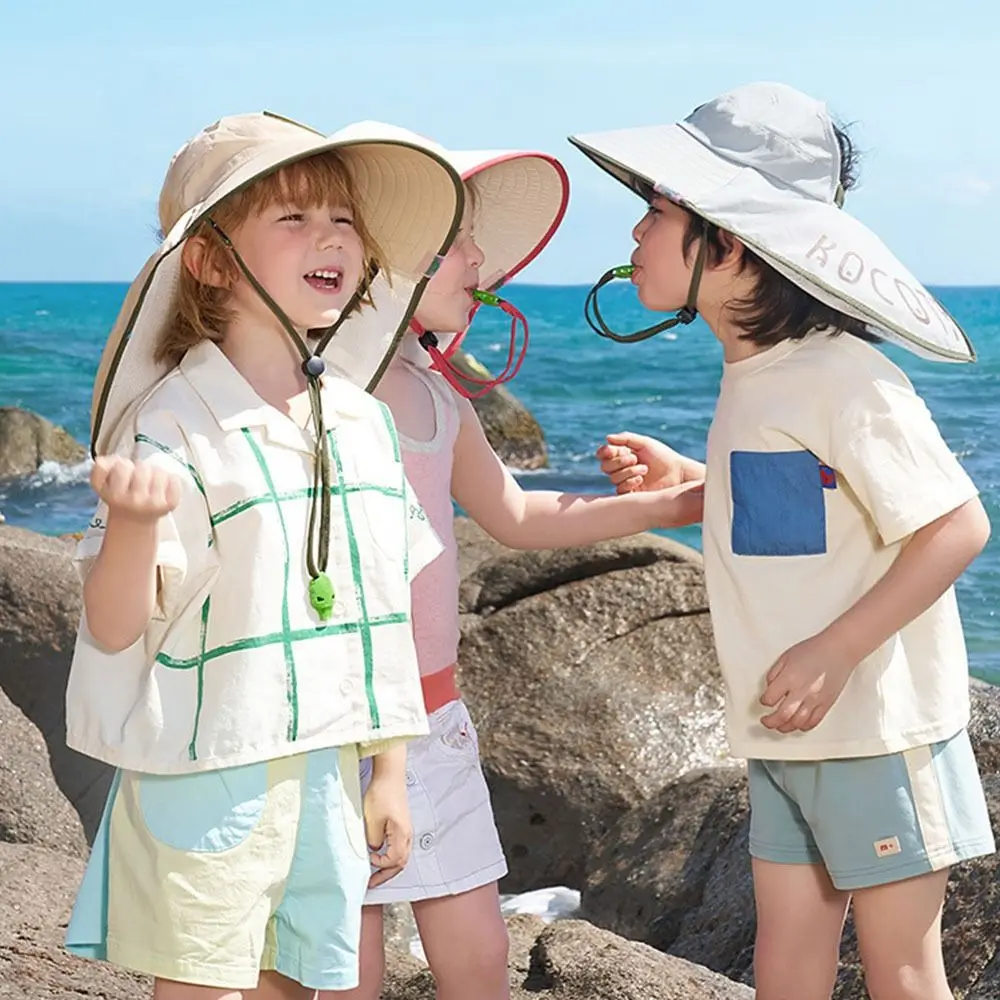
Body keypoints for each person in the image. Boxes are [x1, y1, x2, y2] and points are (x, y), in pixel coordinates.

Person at [575, 82, 995, 1000]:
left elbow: (955, 524)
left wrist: (838, 649)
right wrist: (691, 479)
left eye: (654, 214)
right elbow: (798, 512)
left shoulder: (840, 376)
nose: (635, 237)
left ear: (725, 242)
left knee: (903, 969)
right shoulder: (758, 376)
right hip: (787, 733)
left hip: (875, 733)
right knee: (786, 963)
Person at [63, 111, 467, 1000]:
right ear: (209, 261)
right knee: (204, 988)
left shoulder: (360, 421)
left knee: (293, 983)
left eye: (343, 220)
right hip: (210, 767)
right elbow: (114, 623)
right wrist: (131, 527)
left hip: (325, 765)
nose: (330, 237)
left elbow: (383, 606)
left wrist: (389, 770)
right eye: (292, 218)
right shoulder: (171, 422)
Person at [327, 141, 704, 1000]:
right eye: (458, 244)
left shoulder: (437, 390)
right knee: (344, 956)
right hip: (340, 714)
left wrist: (665, 507)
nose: (480, 263)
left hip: (434, 709)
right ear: (389, 260)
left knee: (478, 950)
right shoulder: (328, 393)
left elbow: (517, 514)